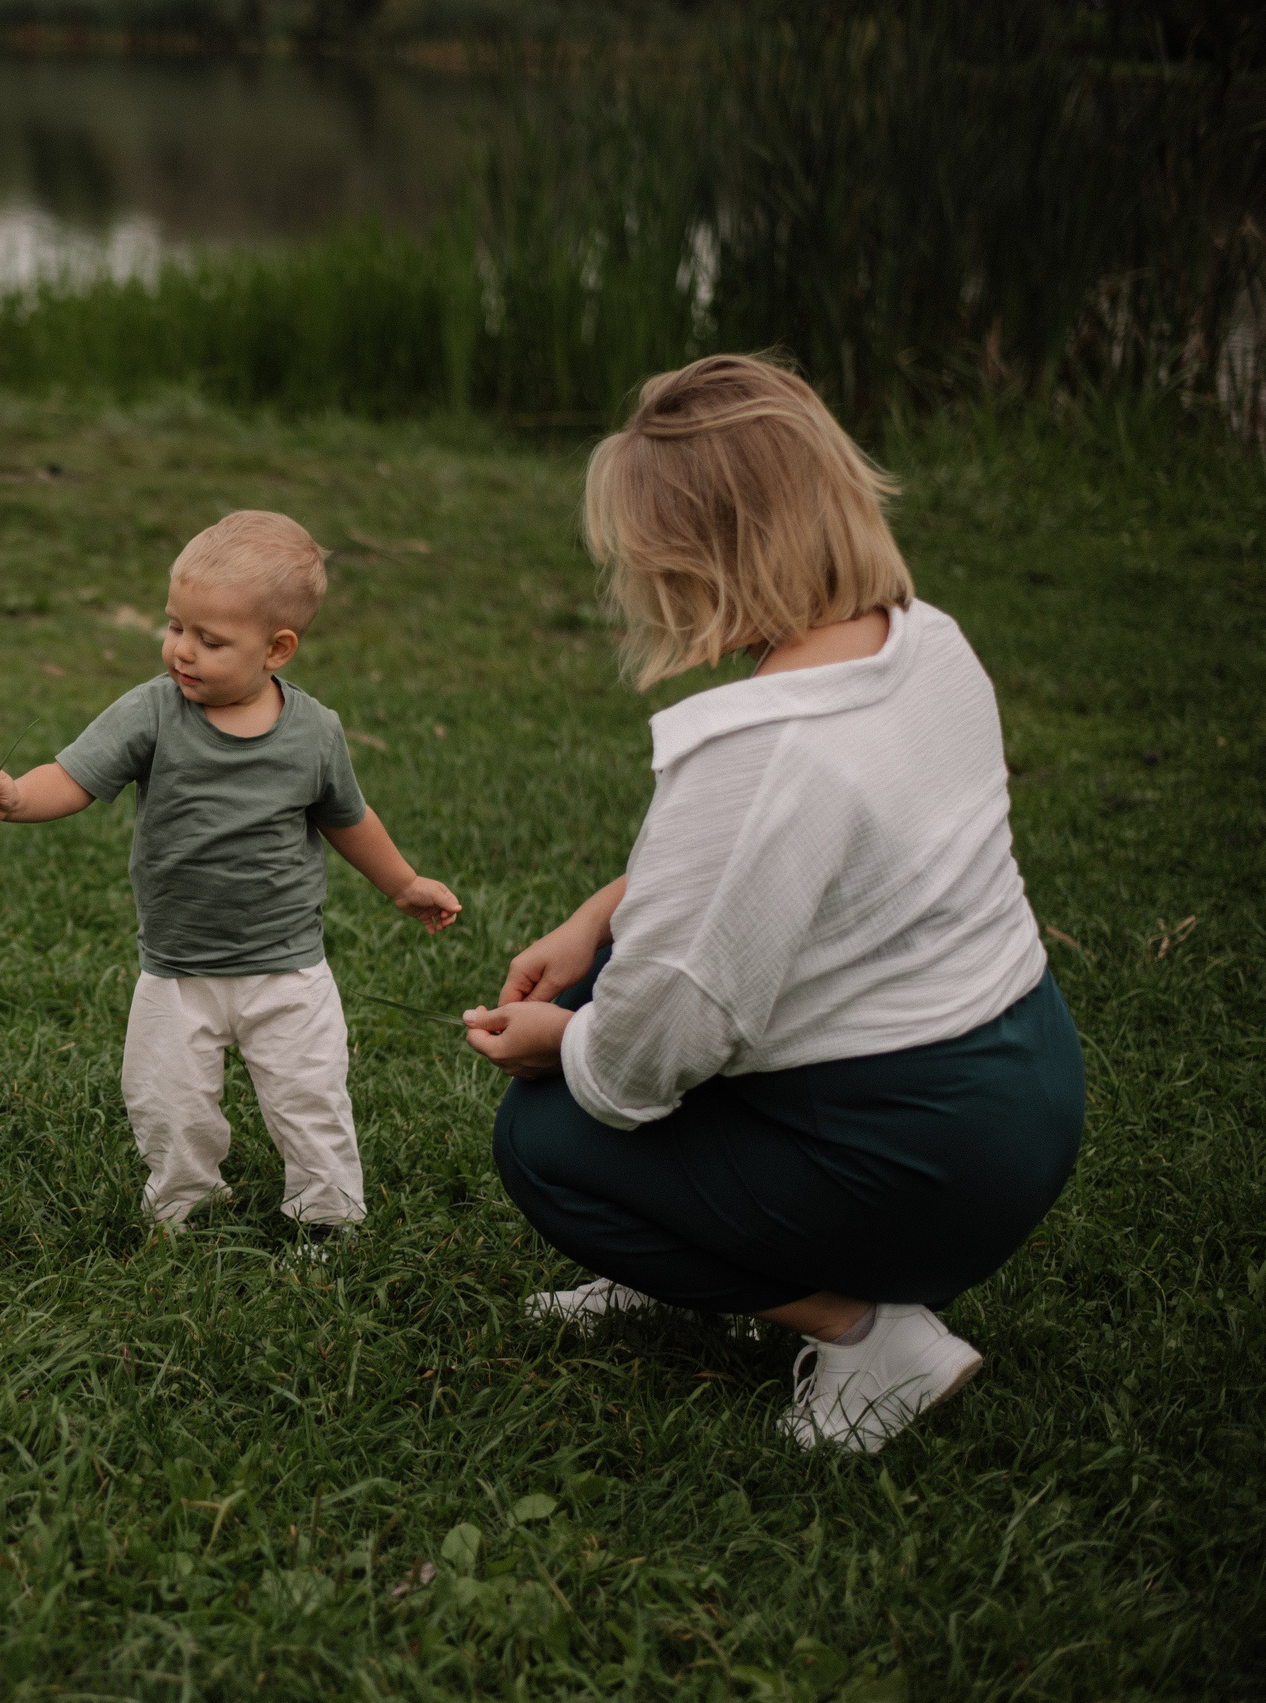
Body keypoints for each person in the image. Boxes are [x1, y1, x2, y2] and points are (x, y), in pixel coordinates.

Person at [461, 355, 1084, 1453]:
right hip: (1024, 1079)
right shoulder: (921, 638)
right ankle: (700, 1257)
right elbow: (784, 872)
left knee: (550, 1140)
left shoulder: (761, 755)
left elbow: (641, 1062)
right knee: (615, 970)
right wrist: (593, 921)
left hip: (928, 1154)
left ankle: (868, 1335)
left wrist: (564, 1043)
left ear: (698, 560)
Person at [0, 510, 461, 1244]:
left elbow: (348, 818)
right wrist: (15, 798)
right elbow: (72, 777)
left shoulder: (314, 732)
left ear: (277, 648)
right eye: (174, 627)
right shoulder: (154, 712)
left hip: (286, 968)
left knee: (309, 1097)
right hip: (177, 967)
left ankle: (327, 1217)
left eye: (209, 639)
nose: (181, 652)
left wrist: (402, 883)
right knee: (167, 1103)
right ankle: (184, 1201)